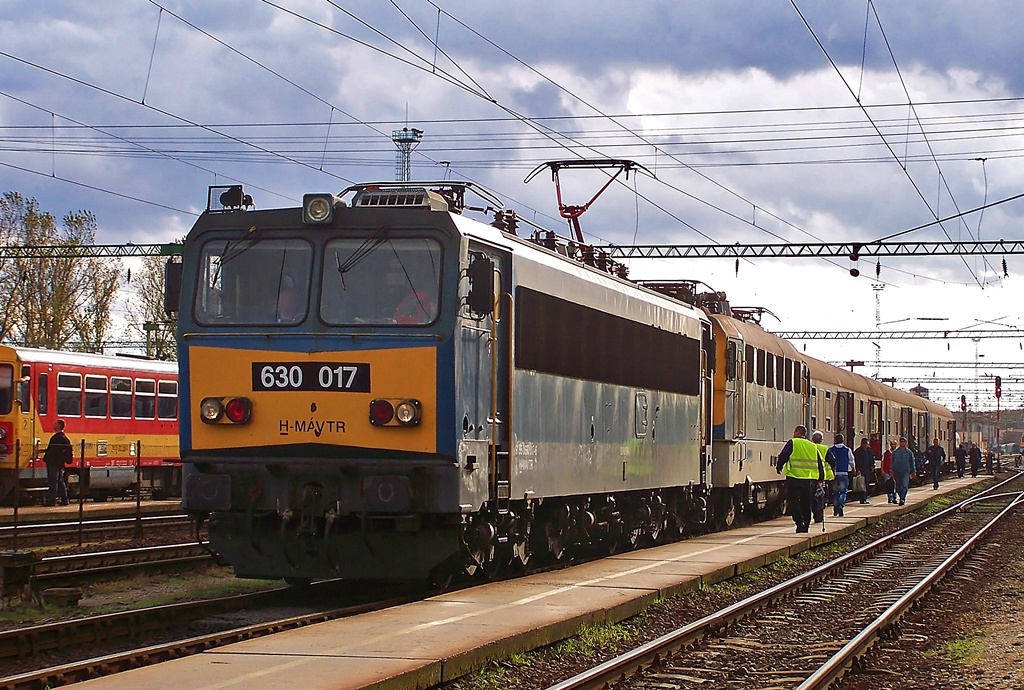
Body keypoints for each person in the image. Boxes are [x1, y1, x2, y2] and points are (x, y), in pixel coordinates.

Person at [776, 425, 826, 533]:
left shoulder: (793, 442)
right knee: (806, 503)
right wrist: (821, 478)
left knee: (793, 503)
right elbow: (819, 462)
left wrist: (779, 466)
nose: (793, 433)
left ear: (798, 432)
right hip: (808, 480)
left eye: (795, 431)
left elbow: (784, 455)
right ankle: (806, 525)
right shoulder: (812, 446)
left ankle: (799, 523)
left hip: (793, 478)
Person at [42, 419, 72, 506]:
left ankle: (52, 501)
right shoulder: (64, 438)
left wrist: (46, 455)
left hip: (53, 463)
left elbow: (53, 451)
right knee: (60, 481)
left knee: (53, 481)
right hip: (60, 463)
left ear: (59, 426)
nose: (53, 425)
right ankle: (65, 499)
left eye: (55, 423)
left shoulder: (56, 438)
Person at [826, 432, 855, 517]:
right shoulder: (847, 450)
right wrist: (853, 468)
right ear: (843, 440)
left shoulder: (831, 450)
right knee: (843, 492)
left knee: (835, 492)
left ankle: (835, 509)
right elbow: (851, 460)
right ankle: (840, 506)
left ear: (835, 440)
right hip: (844, 473)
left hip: (834, 474)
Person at [810, 431, 834, 524]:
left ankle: (816, 512)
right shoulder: (825, 449)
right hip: (822, 476)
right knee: (823, 495)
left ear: (812, 439)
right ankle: (820, 511)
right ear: (821, 440)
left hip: (811, 475)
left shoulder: (810, 447)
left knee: (813, 497)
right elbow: (832, 461)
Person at [890, 436, 916, 506]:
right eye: (901, 442)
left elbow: (912, 462)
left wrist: (913, 471)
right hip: (897, 471)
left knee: (904, 485)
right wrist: (891, 471)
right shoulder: (895, 452)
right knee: (898, 486)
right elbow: (892, 462)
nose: (902, 443)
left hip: (905, 471)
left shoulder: (909, 453)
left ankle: (902, 499)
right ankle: (901, 497)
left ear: (906, 443)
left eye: (904, 442)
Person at [852, 437, 875, 504]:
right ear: (862, 443)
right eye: (865, 444)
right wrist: (857, 469)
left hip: (867, 469)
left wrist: (872, 466)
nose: (866, 445)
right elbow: (856, 461)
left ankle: (864, 498)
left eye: (867, 444)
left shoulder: (869, 451)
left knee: (866, 484)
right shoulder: (858, 451)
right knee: (861, 484)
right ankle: (862, 499)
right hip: (861, 469)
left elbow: (872, 459)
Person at [882, 439, 898, 504]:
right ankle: (890, 498)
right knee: (888, 485)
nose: (893, 445)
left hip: (895, 472)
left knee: (895, 485)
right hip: (887, 471)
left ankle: (894, 498)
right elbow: (883, 461)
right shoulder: (886, 453)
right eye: (892, 444)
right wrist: (882, 470)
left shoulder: (898, 453)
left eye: (894, 444)